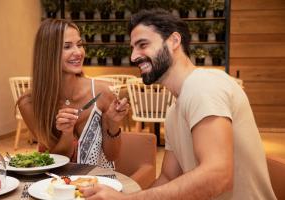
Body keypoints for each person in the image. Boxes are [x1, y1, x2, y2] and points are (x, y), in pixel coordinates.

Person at [81, 9, 276, 199]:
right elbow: (167, 177)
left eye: (143, 44)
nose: (134, 57)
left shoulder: (203, 85)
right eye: (133, 48)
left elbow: (218, 176)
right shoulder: (174, 110)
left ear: (174, 41)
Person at [18, 19, 129, 169]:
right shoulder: (29, 103)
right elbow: (56, 162)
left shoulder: (102, 93)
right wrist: (67, 133)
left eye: (80, 44)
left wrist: (113, 123)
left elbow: (112, 155)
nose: (78, 52)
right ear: (48, 53)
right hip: (54, 185)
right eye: (67, 46)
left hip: (101, 183)